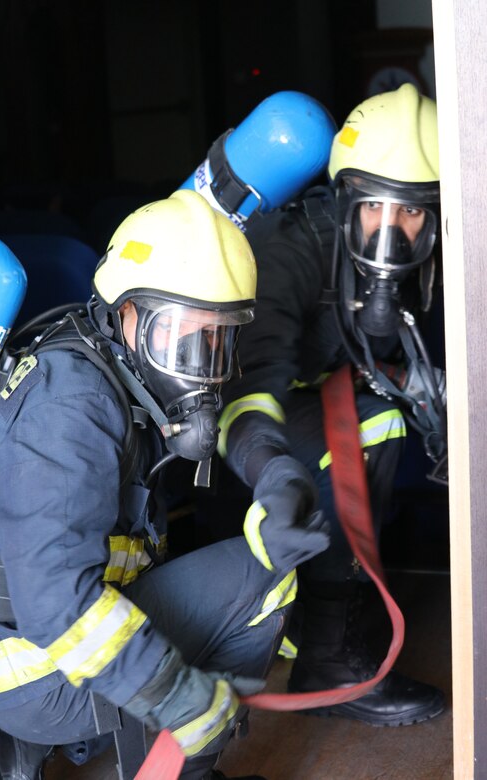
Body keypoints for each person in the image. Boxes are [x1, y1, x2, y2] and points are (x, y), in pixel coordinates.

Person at [0, 189, 331, 780]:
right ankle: (173, 765)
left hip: (9, 643)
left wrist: (275, 474)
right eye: (179, 334)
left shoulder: (106, 363)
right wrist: (181, 694)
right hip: (27, 658)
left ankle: (16, 748)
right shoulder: (72, 404)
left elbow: (236, 412)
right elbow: (58, 604)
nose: (198, 364)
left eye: (218, 340)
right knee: (265, 581)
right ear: (123, 311)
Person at [201, 82, 447, 727]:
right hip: (244, 425)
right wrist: (274, 472)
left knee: (391, 412)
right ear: (345, 200)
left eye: (413, 213)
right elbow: (249, 387)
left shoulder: (432, 263)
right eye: (375, 208)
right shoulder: (293, 250)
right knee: (374, 424)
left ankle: (313, 609)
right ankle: (331, 659)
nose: (393, 231)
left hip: (320, 394)